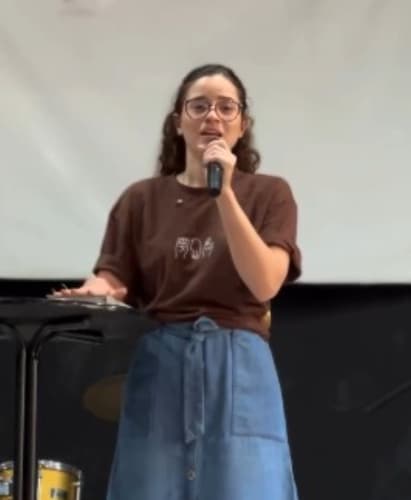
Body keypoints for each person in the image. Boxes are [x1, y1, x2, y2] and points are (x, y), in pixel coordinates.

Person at [53, 63, 302, 499]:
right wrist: (97, 291)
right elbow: (112, 274)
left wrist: (224, 193)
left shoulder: (269, 193)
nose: (212, 117)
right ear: (178, 122)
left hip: (238, 365)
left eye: (226, 107)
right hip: (162, 361)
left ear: (242, 125)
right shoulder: (140, 199)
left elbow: (264, 283)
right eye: (199, 106)